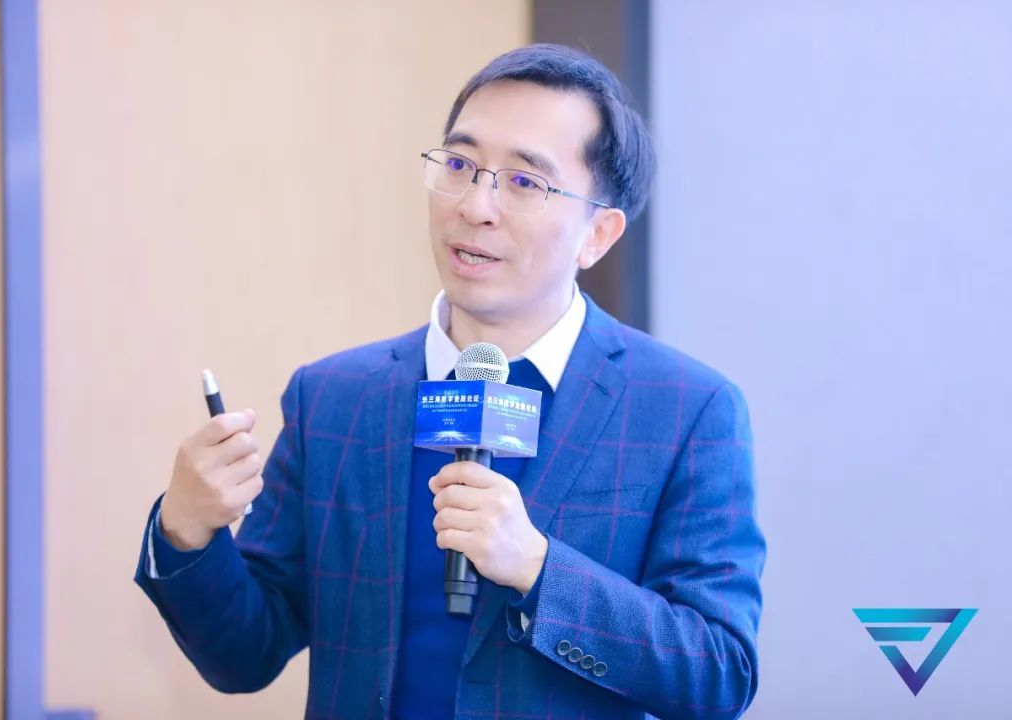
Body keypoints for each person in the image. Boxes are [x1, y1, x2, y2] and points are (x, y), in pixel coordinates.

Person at [134, 43, 766, 720]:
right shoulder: (334, 399)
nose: (476, 205)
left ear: (599, 234)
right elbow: (244, 654)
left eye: (524, 182)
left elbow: (718, 674)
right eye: (461, 166)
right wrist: (187, 528)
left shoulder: (686, 411)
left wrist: (539, 568)